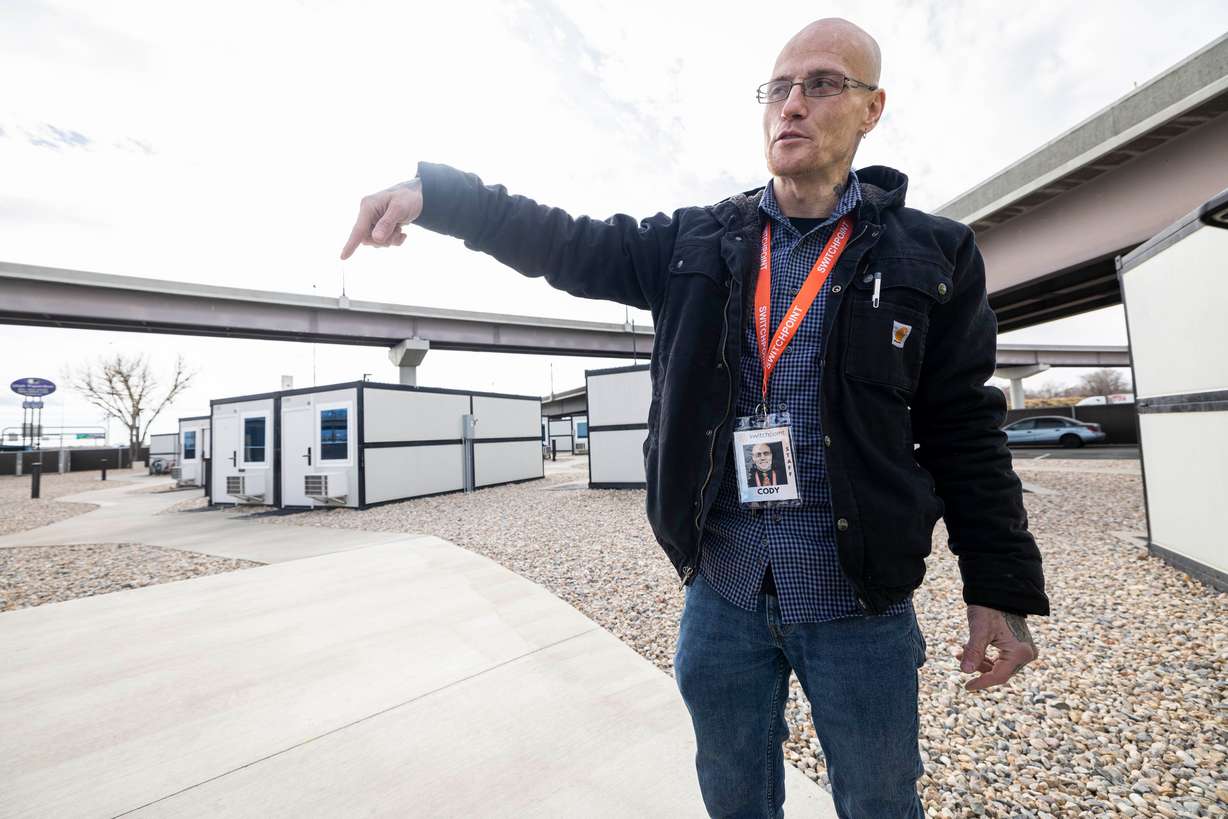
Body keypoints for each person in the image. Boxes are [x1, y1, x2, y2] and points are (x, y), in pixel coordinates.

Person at [340, 17, 1048, 818]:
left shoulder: (931, 253)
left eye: (820, 84)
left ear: (871, 108)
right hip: (725, 595)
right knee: (734, 797)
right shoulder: (696, 242)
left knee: (881, 800)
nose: (792, 105)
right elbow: (562, 241)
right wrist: (442, 197)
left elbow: (965, 430)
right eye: (777, 88)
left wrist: (999, 587)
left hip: (859, 600)